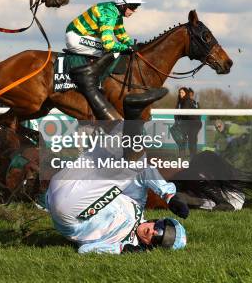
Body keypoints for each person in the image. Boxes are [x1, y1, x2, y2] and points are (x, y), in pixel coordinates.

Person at [45, 92, 188, 254]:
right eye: (161, 228)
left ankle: (133, 116)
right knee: (120, 139)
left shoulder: (126, 242)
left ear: (152, 246)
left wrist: (122, 249)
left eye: (159, 238)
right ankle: (87, 84)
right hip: (63, 183)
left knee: (132, 165)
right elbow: (144, 172)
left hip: (70, 214)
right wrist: (169, 196)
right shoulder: (137, 204)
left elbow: (85, 249)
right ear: (157, 220)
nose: (154, 232)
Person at [65, 0, 145, 120]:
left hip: (84, 36)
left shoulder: (116, 13)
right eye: (132, 7)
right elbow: (108, 44)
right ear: (123, 5)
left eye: (136, 7)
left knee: (117, 48)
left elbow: (121, 34)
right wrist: (126, 48)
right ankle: (96, 83)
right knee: (110, 50)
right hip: (75, 37)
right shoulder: (109, 13)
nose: (134, 10)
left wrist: (133, 45)